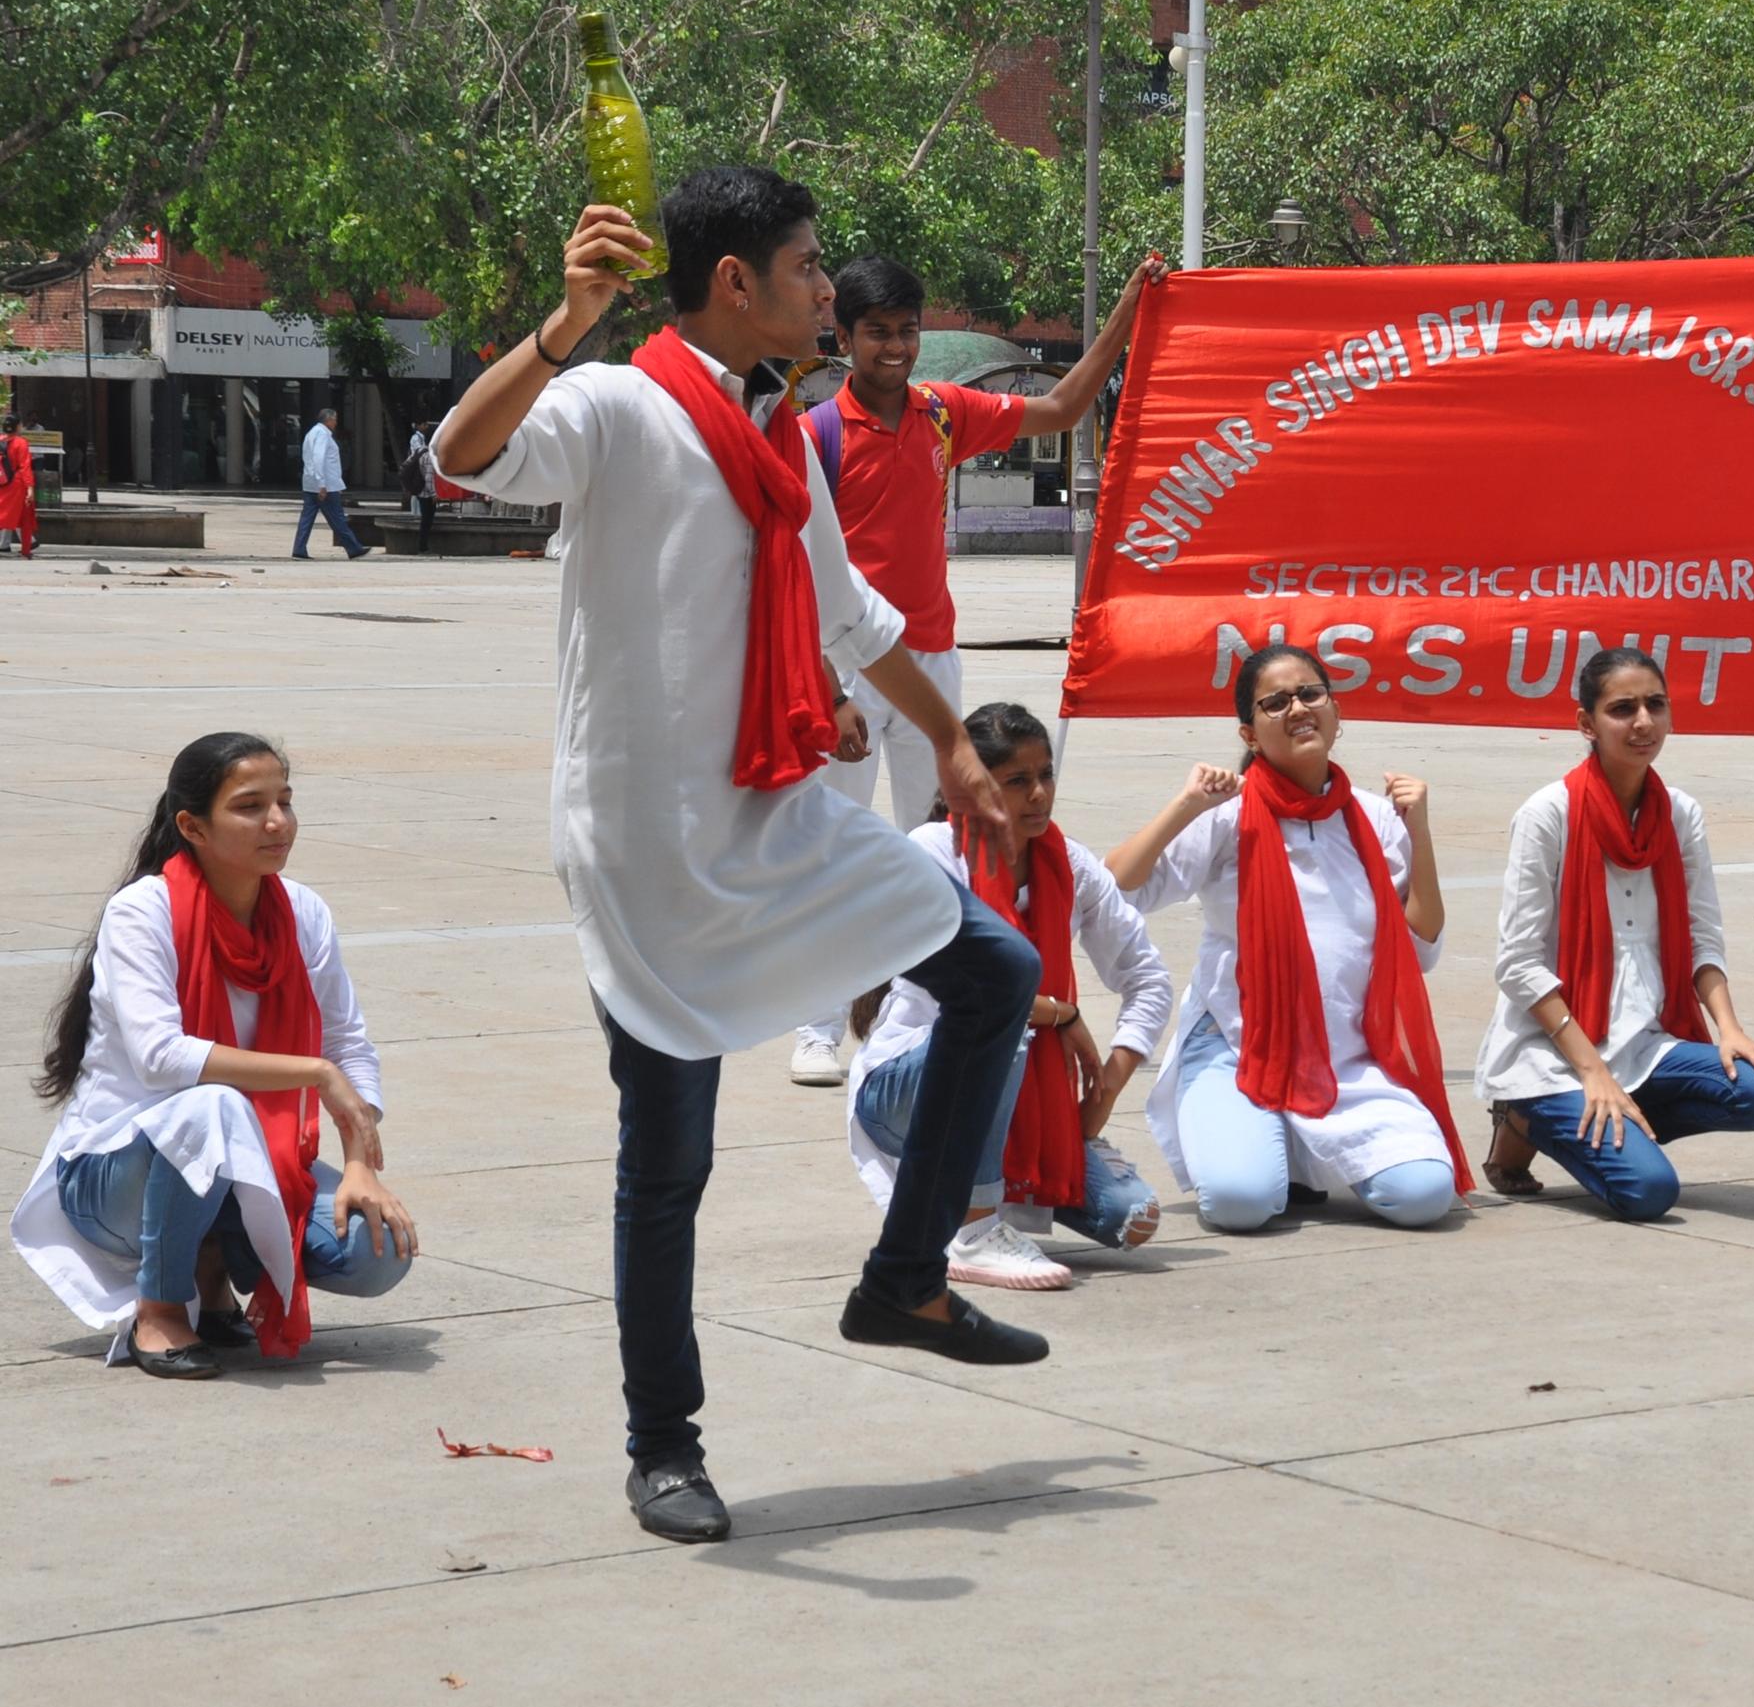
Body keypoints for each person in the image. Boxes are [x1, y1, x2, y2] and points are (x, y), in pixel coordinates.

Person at [428, 172, 1051, 1545]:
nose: (828, 293)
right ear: (736, 286)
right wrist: (560, 325)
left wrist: (949, 741)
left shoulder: (779, 437)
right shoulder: (615, 406)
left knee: (995, 969)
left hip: (772, 814)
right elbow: (460, 459)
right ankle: (664, 1447)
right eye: (809, 269)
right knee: (670, 1157)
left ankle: (904, 1280)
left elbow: (854, 612)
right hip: (650, 847)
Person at [786, 250, 1164, 1088]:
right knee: (837, 848)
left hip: (928, 663)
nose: (895, 348)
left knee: (944, 843)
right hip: (845, 666)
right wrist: (831, 689)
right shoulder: (815, 434)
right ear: (841, 337)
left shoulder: (944, 416)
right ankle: (816, 1027)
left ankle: (914, 1006)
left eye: (908, 331)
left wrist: (1131, 309)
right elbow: (790, 569)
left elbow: (1063, 406)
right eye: (876, 333)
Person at [12, 734, 418, 1379]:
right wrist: (314, 1073)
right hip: (112, 1180)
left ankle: (211, 1265)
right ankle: (161, 1310)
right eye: (250, 806)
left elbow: (348, 1044)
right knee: (210, 1106)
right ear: (192, 826)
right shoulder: (143, 911)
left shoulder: (302, 912)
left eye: (284, 800)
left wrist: (360, 1161)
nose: (278, 821)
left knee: (375, 1251)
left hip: (250, 1158)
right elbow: (161, 1058)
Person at [1106, 645, 1471, 1232]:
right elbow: (1118, 889)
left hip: (1344, 1054)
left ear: (1335, 711)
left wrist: (1419, 832)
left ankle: (1297, 1148)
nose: (1297, 708)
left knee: (1426, 1195)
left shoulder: (1375, 819)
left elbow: (1421, 947)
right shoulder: (1228, 815)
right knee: (1240, 1203)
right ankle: (1269, 1141)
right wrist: (1185, 805)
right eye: (1274, 703)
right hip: (1239, 1044)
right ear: (1250, 734)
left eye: (1310, 694)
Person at [847, 703, 1173, 1288]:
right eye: (1017, 781)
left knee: (1134, 1219)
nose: (1040, 795)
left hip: (1014, 1093)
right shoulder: (932, 852)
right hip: (907, 1095)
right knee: (1001, 1027)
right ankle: (973, 1231)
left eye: (1045, 775)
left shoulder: (1068, 863)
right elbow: (970, 988)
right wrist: (1061, 1013)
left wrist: (1106, 1088)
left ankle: (996, 1190)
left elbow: (1148, 976)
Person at [1473, 648, 1754, 1220]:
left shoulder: (1681, 813)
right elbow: (1518, 964)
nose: (1643, 722)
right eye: (1622, 708)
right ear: (1586, 724)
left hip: (1647, 1039)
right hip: (1555, 1049)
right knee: (1648, 1193)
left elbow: (1703, 936)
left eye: (1655, 705)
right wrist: (1591, 1070)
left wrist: (1730, 1028)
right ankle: (1525, 1115)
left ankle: (1618, 1116)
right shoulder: (1549, 814)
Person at [291, 408, 371, 560]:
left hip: (310, 482)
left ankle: (299, 548)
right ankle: (354, 548)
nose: (336, 423)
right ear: (328, 420)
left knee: (307, 518)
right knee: (337, 517)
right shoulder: (322, 435)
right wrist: (321, 483)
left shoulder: (312, 433)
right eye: (334, 419)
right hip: (326, 484)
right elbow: (318, 458)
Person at [398, 419, 439, 553]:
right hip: (426, 493)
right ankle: (423, 547)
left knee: (423, 518)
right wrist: (433, 494)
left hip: (419, 489)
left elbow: (407, 463)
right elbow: (428, 477)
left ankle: (422, 546)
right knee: (427, 520)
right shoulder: (428, 455)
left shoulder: (419, 451)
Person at [1, 411, 36, 558]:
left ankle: (16, 546)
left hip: (2, 483)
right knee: (25, 517)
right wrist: (30, 488)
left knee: (4, 514)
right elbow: (25, 467)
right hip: (17, 485)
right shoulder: (21, 443)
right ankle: (26, 549)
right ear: (18, 426)